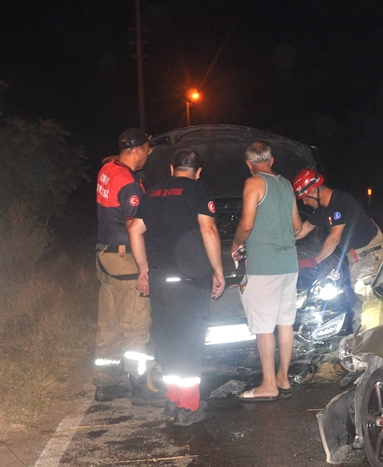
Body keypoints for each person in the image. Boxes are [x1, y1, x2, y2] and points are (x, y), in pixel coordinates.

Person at [128, 148, 225, 426]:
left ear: (172, 169)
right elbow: (208, 230)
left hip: (160, 280)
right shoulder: (199, 190)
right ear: (198, 171)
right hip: (190, 281)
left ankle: (173, 400)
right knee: (190, 343)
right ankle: (188, 408)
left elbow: (134, 230)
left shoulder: (153, 192)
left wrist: (143, 268)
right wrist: (218, 270)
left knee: (167, 340)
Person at [93, 128, 163, 405]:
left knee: (109, 325)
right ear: (136, 150)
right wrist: (143, 267)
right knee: (136, 326)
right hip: (125, 262)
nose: (148, 155)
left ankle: (105, 383)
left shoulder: (108, 169)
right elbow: (134, 229)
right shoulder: (130, 185)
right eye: (146, 149)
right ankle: (141, 386)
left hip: (105, 257)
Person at [231, 142, 303, 401]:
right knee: (285, 323)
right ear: (271, 160)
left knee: (263, 327)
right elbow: (297, 226)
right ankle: (283, 377)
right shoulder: (285, 185)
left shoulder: (253, 183)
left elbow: (246, 224)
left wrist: (236, 244)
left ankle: (269, 385)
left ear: (248, 164)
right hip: (289, 264)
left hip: (264, 266)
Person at [292, 169, 383, 331]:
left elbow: (334, 239)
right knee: (359, 301)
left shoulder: (341, 201)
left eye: (305, 198)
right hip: (356, 255)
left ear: (314, 191)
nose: (305, 203)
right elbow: (304, 229)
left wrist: (315, 261)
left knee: (370, 299)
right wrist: (279, 241)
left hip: (371, 252)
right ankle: (362, 339)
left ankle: (373, 342)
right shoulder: (324, 210)